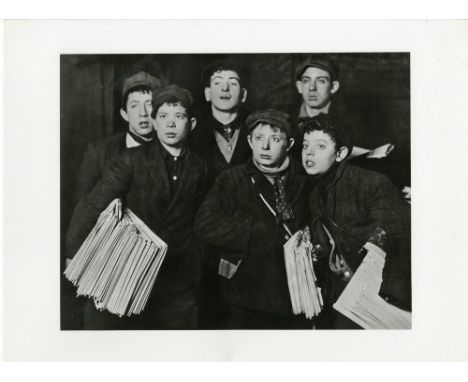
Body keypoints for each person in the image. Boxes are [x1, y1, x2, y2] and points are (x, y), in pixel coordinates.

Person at [66, 85, 208, 330]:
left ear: (192, 123)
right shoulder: (132, 160)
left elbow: (204, 219)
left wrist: (196, 258)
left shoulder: (202, 167)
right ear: (154, 122)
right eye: (163, 117)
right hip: (128, 271)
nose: (170, 124)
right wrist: (73, 253)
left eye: (179, 117)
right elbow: (91, 206)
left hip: (178, 280)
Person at [194, 109, 314, 329]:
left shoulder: (305, 180)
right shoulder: (232, 179)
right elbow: (204, 225)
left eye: (275, 139)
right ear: (249, 141)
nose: (265, 147)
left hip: (295, 295)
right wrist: (256, 232)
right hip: (245, 295)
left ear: (289, 144)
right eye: (259, 138)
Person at [300, 114, 411, 329]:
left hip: (377, 297)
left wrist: (390, 296)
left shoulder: (370, 183)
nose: (309, 153)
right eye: (305, 145)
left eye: (320, 146)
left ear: (341, 153)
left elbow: (402, 235)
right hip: (340, 297)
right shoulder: (314, 192)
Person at [74, 70, 161, 204]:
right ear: (124, 114)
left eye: (149, 105)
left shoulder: (171, 150)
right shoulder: (98, 153)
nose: (143, 113)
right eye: (134, 106)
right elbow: (81, 211)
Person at [189, 59, 251, 186]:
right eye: (217, 83)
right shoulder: (192, 135)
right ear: (208, 93)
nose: (225, 88)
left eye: (233, 83)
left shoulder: (255, 131)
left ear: (243, 95)